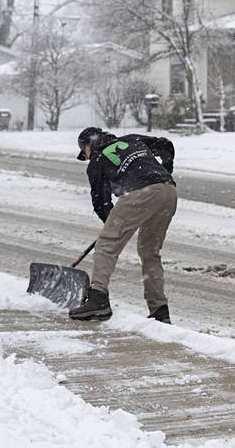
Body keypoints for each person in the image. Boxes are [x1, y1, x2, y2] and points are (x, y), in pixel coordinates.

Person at [69, 127, 177, 324]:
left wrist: (115, 225)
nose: (86, 157)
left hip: (139, 193)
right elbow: (165, 145)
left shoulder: (97, 160)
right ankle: (160, 310)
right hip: (168, 190)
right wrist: (165, 171)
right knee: (149, 252)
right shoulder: (132, 139)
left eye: (84, 153)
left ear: (88, 145)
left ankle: (98, 299)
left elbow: (101, 203)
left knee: (106, 245)